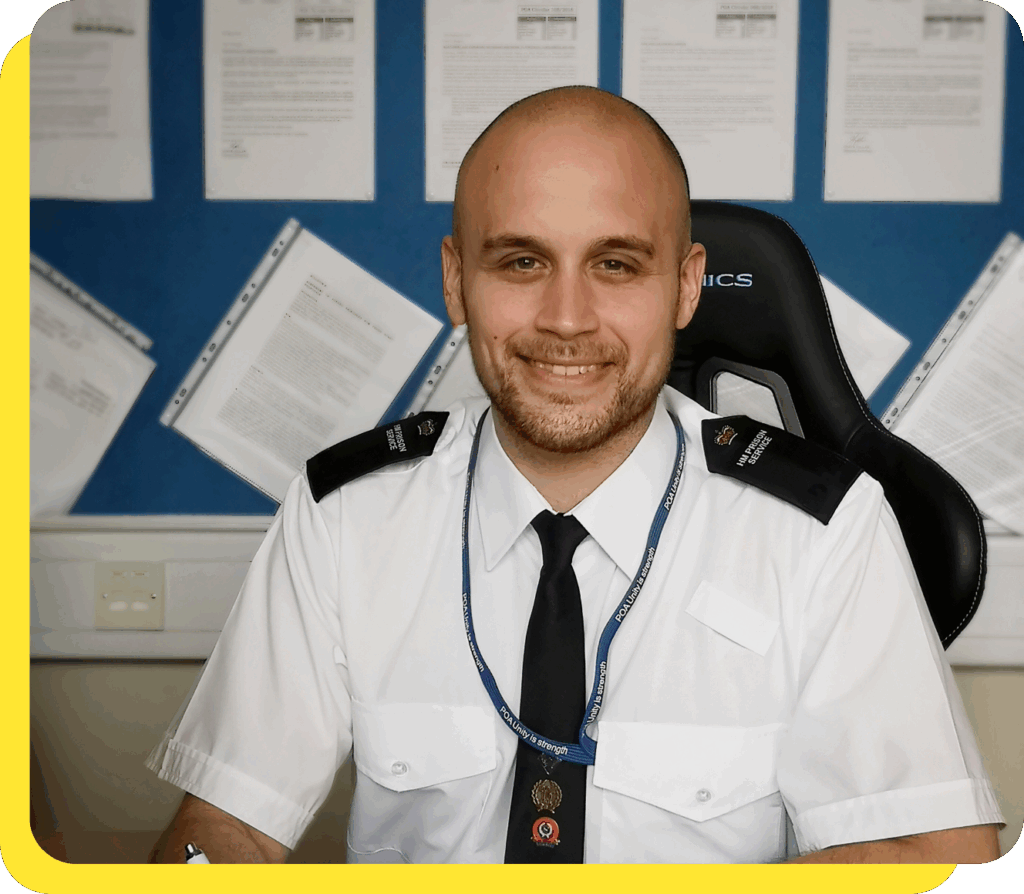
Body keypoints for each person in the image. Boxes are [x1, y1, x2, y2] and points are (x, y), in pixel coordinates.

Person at [148, 86, 1003, 864]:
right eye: (521, 262)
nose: (566, 319)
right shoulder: (343, 515)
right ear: (457, 281)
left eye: (617, 264)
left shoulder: (824, 531)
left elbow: (930, 853)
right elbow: (227, 824)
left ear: (685, 287)